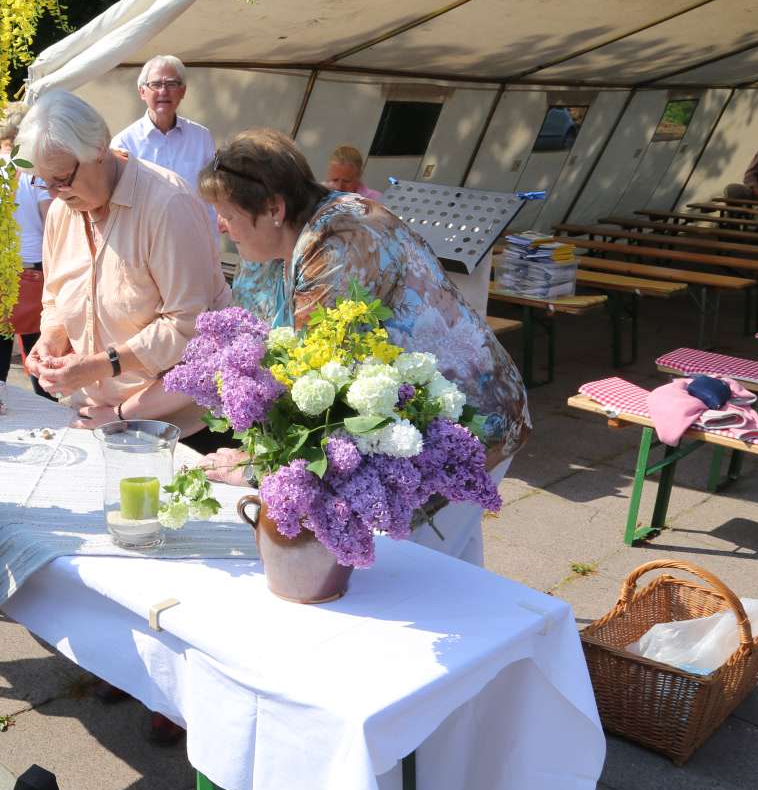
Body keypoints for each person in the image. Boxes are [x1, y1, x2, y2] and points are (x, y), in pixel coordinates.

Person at [199, 128, 530, 566]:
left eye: (226, 213)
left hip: (465, 426)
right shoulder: (275, 245)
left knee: (419, 579)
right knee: (457, 575)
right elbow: (263, 347)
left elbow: (320, 382)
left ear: (274, 208)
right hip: (418, 426)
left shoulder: (340, 239)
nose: (219, 225)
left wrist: (261, 465)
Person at [16, 89, 232, 444]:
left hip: (175, 429)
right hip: (94, 416)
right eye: (43, 182)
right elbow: (55, 296)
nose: (54, 193)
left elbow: (187, 324)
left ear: (100, 149)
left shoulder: (167, 204)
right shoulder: (60, 212)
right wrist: (51, 340)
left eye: (62, 179)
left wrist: (99, 365)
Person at [0, 103, 52, 399]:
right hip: (31, 269)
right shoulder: (35, 172)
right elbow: (52, 223)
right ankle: (48, 419)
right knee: (40, 354)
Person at [109, 54, 217, 235]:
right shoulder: (124, 143)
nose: (163, 91)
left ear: (183, 91)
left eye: (172, 84)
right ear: (142, 91)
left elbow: (213, 195)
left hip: (196, 238)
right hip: (146, 243)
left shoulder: (201, 137)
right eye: (156, 84)